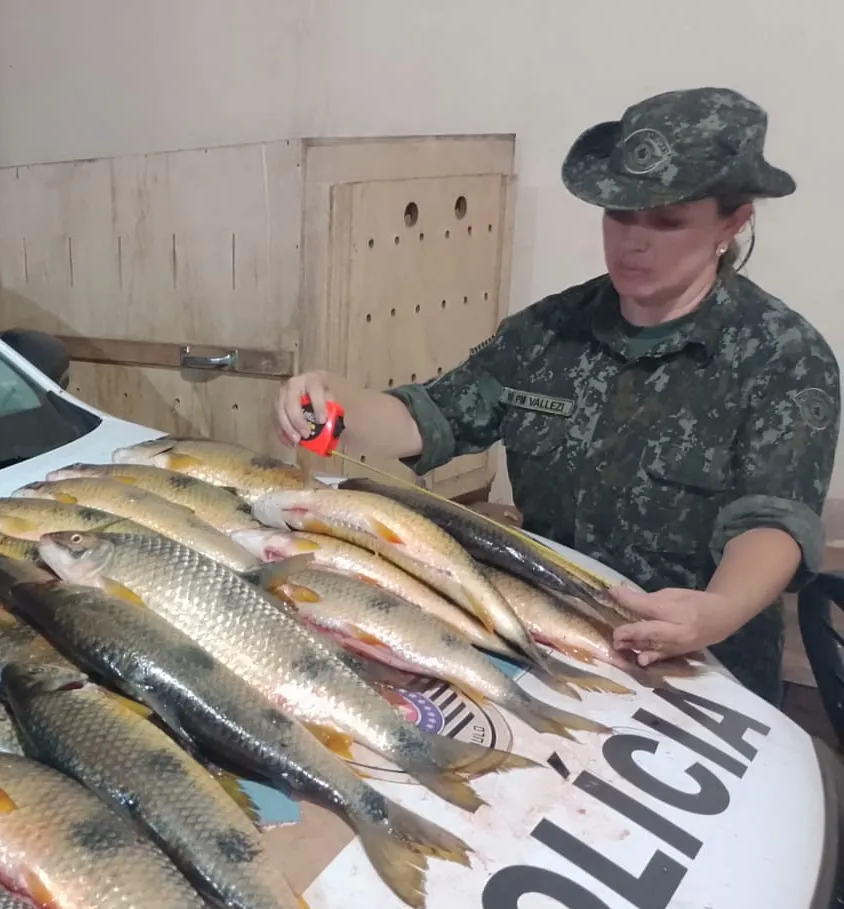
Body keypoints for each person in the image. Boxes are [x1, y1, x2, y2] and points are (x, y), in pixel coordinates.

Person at [275, 87, 840, 706]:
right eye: (619, 214)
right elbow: (429, 417)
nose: (634, 241)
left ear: (733, 221)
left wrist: (718, 608)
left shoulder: (782, 357)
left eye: (668, 221)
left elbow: (773, 522)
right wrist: (336, 405)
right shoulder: (549, 332)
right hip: (549, 639)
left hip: (700, 667)